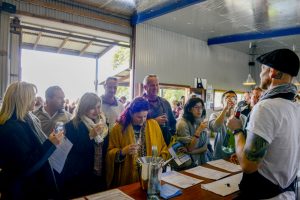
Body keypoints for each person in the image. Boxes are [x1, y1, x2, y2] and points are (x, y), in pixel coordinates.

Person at [227, 49, 300, 199]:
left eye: (262, 68)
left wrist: (237, 130)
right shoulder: (295, 108)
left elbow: (249, 165)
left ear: (272, 72)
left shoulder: (266, 107)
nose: (260, 74)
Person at [0, 82, 63, 199]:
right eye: (32, 96)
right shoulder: (11, 128)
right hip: (22, 191)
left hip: (30, 186)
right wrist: (50, 144)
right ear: (22, 99)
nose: (35, 99)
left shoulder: (27, 119)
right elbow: (26, 166)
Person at [106, 97, 169, 188]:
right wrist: (123, 151)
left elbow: (163, 147)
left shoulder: (153, 124)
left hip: (150, 175)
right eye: (139, 117)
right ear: (131, 113)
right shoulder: (119, 128)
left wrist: (159, 161)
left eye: (145, 116)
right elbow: (109, 153)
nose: (143, 120)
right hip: (127, 176)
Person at [61, 93, 108, 199]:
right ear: (83, 108)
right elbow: (72, 152)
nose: (96, 111)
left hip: (99, 174)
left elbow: (105, 149)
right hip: (79, 176)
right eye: (92, 108)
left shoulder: (104, 125)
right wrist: (90, 136)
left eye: (98, 107)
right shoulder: (71, 126)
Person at [209, 90, 246, 160]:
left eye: (234, 98)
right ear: (222, 101)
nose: (231, 99)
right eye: (227, 97)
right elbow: (214, 128)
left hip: (237, 155)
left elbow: (245, 136)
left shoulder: (242, 117)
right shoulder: (215, 115)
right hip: (220, 154)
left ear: (236, 102)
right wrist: (225, 109)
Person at [176, 97, 213, 166]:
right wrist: (199, 130)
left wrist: (190, 152)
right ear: (189, 109)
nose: (199, 110)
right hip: (186, 163)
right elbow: (190, 148)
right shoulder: (182, 124)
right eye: (196, 107)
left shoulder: (201, 121)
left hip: (201, 159)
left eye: (201, 107)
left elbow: (205, 148)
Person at [142, 74, 176, 145]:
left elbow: (173, 123)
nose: (155, 88)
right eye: (152, 85)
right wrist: (154, 122)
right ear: (145, 87)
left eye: (157, 85)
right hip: (147, 143)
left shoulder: (165, 103)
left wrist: (171, 136)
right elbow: (134, 126)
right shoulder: (139, 103)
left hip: (165, 143)